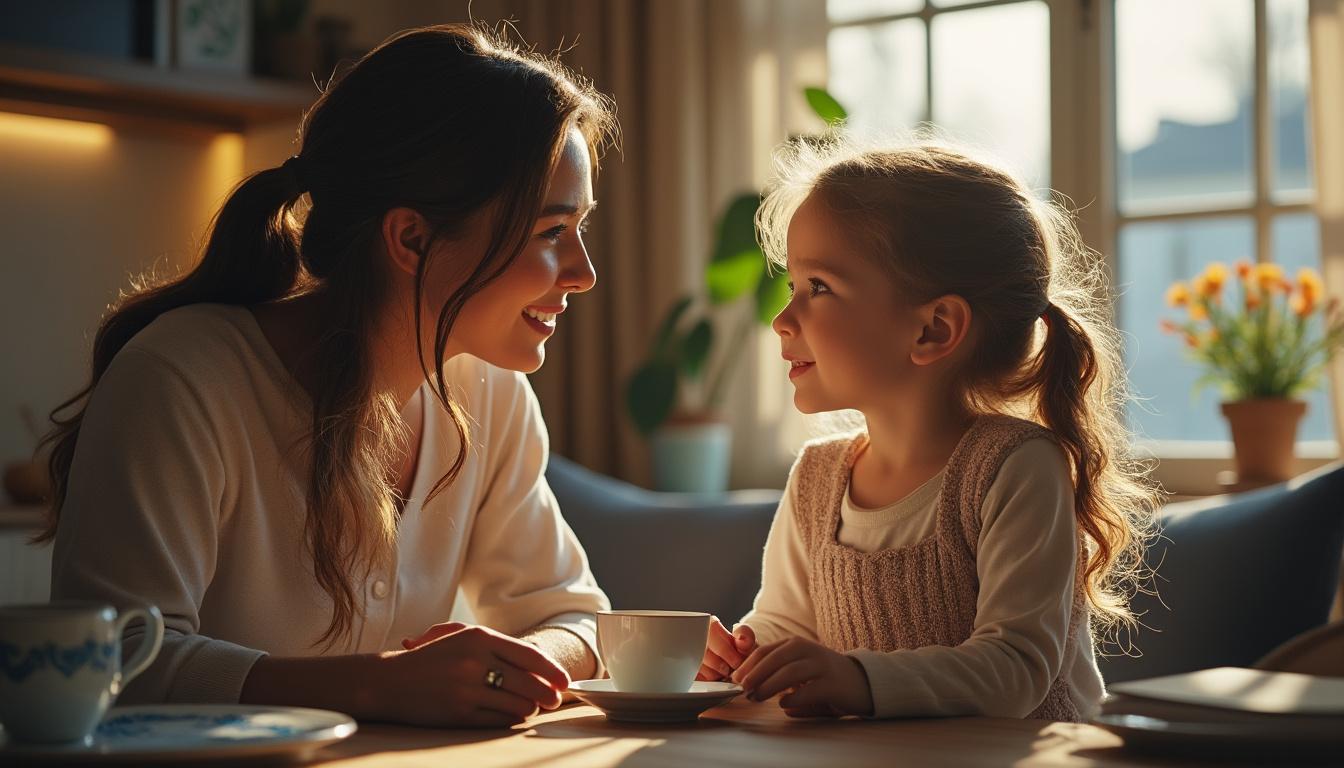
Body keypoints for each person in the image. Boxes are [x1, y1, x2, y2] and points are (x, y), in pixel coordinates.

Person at [40, 23, 618, 728]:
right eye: (552, 233)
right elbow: (118, 657)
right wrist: (377, 686)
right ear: (411, 238)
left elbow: (575, 615)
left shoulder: (490, 395)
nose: (585, 274)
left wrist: (509, 666)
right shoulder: (183, 380)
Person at [697, 137, 1159, 721]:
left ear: (933, 329)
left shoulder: (1017, 467)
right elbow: (787, 623)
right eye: (794, 287)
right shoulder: (816, 476)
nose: (782, 320)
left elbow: (1016, 669)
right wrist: (740, 656)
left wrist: (860, 679)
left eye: (819, 288)